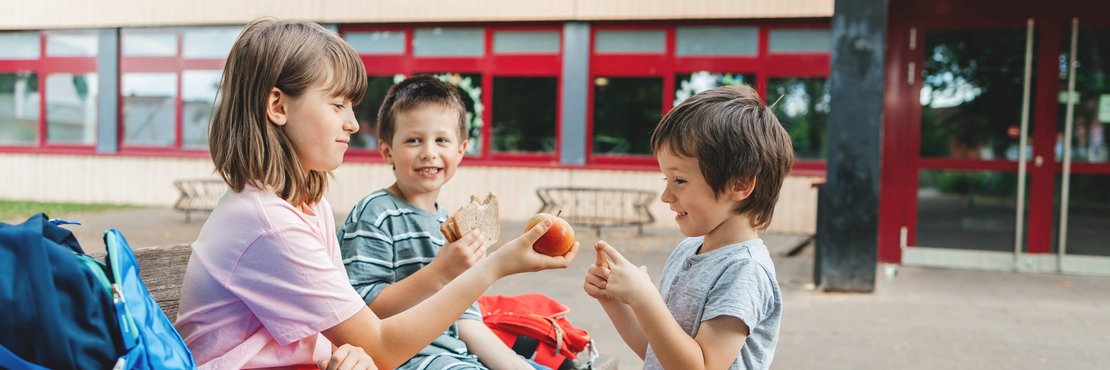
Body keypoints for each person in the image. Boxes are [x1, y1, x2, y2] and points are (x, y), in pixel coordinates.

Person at [174, 18, 578, 370]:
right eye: (337, 105)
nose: (352, 124)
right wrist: (494, 266)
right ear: (277, 106)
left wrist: (350, 353)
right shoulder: (268, 224)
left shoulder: (307, 205)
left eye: (352, 106)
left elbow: (352, 334)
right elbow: (382, 348)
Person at [337, 75, 547, 370]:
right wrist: (440, 272)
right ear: (387, 151)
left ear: (460, 150)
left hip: (458, 357)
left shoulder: (453, 225)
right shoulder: (375, 213)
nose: (429, 152)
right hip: (408, 360)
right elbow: (363, 310)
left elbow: (468, 322)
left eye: (441, 140)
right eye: (414, 140)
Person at [583, 84, 794, 370]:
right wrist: (613, 300)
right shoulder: (688, 251)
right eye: (665, 180)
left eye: (679, 180)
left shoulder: (745, 270)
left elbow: (702, 366)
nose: (666, 196)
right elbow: (658, 351)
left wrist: (644, 300)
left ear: (740, 184)